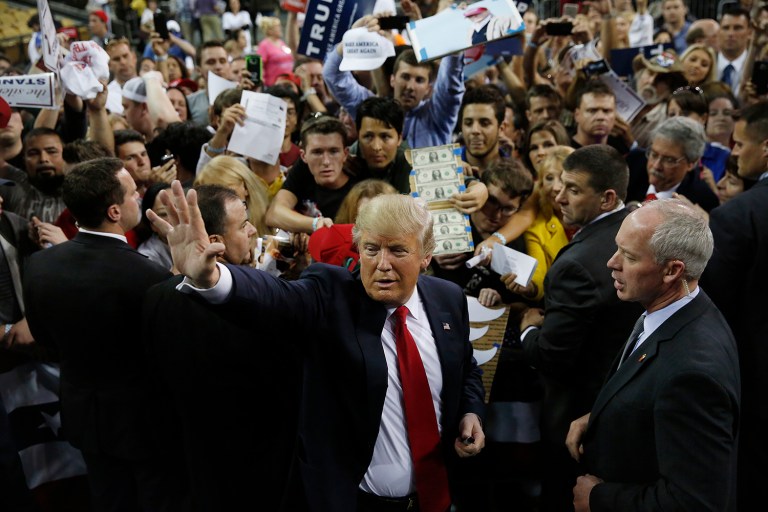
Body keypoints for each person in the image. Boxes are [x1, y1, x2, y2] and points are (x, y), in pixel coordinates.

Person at [148, 188, 486, 511]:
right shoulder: (331, 295)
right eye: (371, 249)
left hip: (437, 496)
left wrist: (470, 412)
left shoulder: (447, 298)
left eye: (397, 251)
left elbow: (465, 366)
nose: (382, 263)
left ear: (426, 255)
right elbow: (273, 296)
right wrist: (212, 279)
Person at [22, 158, 186, 511]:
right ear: (114, 211)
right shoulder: (150, 276)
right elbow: (173, 352)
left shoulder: (39, 265)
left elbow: (44, 339)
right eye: (133, 193)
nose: (139, 196)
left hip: (84, 418)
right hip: (146, 424)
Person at [566, 198, 740, 511]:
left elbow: (694, 502)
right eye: (617, 248)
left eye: (629, 256)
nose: (612, 262)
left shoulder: (692, 374)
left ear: (672, 270)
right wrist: (603, 417)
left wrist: (598, 499)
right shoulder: (682, 308)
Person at [142, 183, 301, 509]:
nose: (253, 230)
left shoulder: (155, 296)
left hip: (195, 463)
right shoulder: (257, 303)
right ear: (215, 241)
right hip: (264, 465)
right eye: (243, 225)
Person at [518, 145, 643, 512]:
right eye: (561, 185)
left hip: (577, 419)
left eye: (573, 189)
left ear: (607, 198)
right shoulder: (635, 226)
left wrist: (528, 329)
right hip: (622, 405)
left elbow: (550, 357)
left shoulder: (576, 265)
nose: (559, 196)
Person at [700, 100, 768, 509]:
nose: (734, 152)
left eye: (740, 144)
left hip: (755, 387)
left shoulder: (738, 216)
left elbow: (711, 310)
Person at [324, 15, 464, 148]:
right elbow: (333, 76)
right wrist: (351, 41)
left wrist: (455, 46)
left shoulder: (438, 115)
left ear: (428, 88)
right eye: (405, 77)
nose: (410, 86)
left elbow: (450, 85)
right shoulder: (370, 109)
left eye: (419, 80)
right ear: (392, 79)